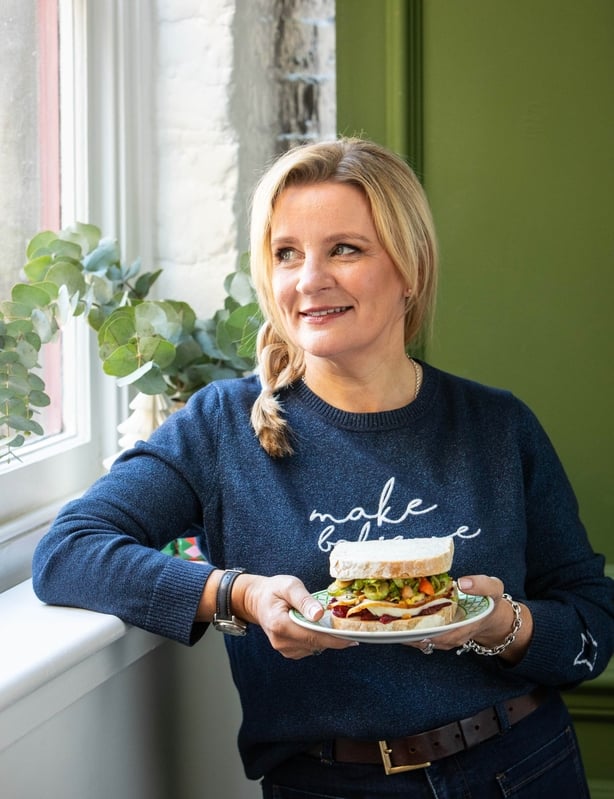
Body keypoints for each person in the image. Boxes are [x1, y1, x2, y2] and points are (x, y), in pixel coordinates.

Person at [32, 137, 613, 799]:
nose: (308, 279)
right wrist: (238, 595)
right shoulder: (223, 424)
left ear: (411, 266)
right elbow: (67, 551)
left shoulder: (498, 425)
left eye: (345, 248)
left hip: (524, 768)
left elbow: (592, 621)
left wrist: (501, 624)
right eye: (287, 253)